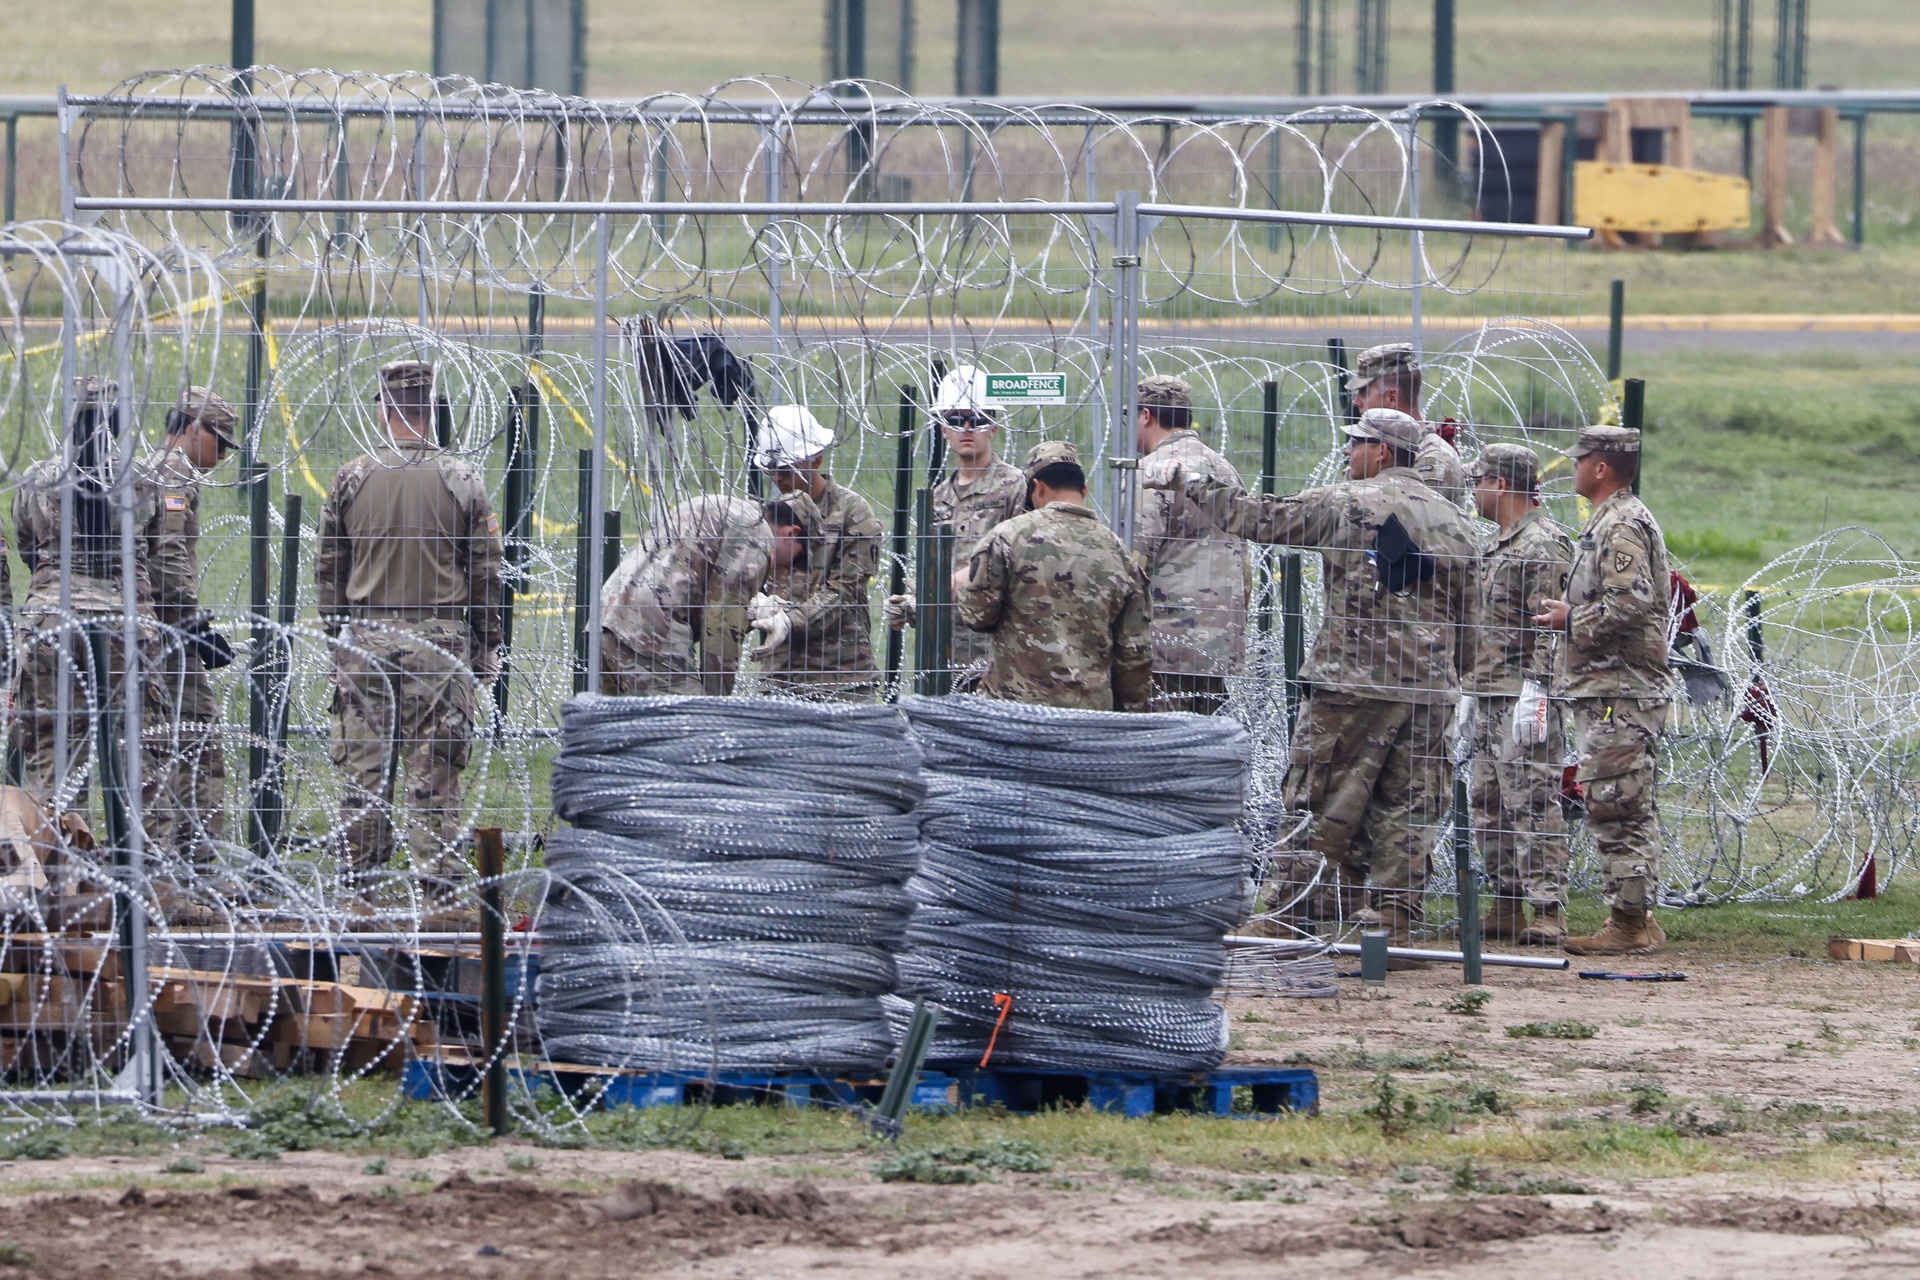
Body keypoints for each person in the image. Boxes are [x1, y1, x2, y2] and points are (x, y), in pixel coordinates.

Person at [1151, 408, 1478, 955]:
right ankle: (1393, 924)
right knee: (1410, 807)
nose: (1349, 455)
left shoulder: (1346, 502)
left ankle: (1288, 911)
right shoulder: (1456, 521)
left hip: (1352, 682)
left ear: (1381, 452)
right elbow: (1472, 617)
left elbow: (1258, 517)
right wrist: (1455, 675)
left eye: (1356, 446)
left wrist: (1190, 483)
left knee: (1317, 793)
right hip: (1429, 689)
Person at [314, 360, 504, 909]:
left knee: (364, 774)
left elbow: (329, 568)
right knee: (435, 775)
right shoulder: (461, 479)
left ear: (384, 410)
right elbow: (487, 573)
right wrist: (486, 643)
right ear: (431, 409)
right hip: (438, 646)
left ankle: (358, 894)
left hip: (367, 641)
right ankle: (441, 893)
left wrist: (337, 638)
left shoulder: (352, 477)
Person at [1534, 424, 1672, 956]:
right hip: (1610, 685)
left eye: (1579, 460)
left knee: (1616, 801)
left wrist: (1572, 618)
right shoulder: (1611, 520)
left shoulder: (1621, 524)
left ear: (1601, 468)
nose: (1571, 469)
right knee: (1619, 797)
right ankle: (1638, 916)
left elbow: (1631, 602)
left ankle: (1629, 923)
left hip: (1620, 688)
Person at [11, 378, 163, 810]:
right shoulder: (141, 479)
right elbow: (149, 552)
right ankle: (141, 865)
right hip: (124, 623)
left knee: (53, 759)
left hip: (50, 622)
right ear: (117, 419)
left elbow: (28, 549)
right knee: (138, 753)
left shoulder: (37, 479)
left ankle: (61, 864)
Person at [1464, 443, 1574, 944]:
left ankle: (1547, 908)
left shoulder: (1542, 546)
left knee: (1532, 802)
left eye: (1478, 478)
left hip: (1522, 694)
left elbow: (1552, 628)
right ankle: (1505, 901)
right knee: (1488, 803)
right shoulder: (1499, 543)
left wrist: (1539, 692)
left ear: (1502, 484)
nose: (1473, 488)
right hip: (1489, 690)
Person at [953, 441, 1152, 712]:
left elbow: (976, 616)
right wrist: (1129, 714)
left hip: (1013, 710)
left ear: (1037, 488)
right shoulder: (1118, 552)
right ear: (1083, 489)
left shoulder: (1006, 538)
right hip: (1088, 715)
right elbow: (1134, 652)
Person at [143, 387, 239, 868]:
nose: (221, 455)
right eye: (219, 441)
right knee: (197, 740)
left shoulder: (156, 468)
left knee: (172, 740)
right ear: (193, 427)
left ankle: (178, 857)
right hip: (169, 631)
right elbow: (167, 557)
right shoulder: (175, 473)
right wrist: (192, 622)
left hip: (157, 628)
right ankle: (193, 859)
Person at [882, 365, 1025, 685]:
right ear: (943, 429)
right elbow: (933, 578)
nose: (967, 428)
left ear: (994, 427)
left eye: (977, 419)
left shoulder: (1013, 486)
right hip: (944, 655)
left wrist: (967, 577)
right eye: (955, 420)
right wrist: (914, 608)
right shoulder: (936, 499)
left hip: (997, 651)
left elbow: (1022, 562)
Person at [599, 493, 807, 696]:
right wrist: (715, 701)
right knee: (691, 726)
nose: (782, 570)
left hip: (606, 618)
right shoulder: (757, 536)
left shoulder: (725, 508)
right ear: (791, 534)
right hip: (649, 636)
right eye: (791, 562)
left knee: (619, 727)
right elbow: (721, 622)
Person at [747, 404, 883, 701]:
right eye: (771, 469)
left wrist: (788, 620)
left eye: (786, 468)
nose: (777, 478)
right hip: (781, 677)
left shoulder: (852, 514)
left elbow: (845, 593)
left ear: (816, 459)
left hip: (841, 677)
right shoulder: (769, 517)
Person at [1132, 374, 1249, 714]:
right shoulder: (1226, 469)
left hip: (1167, 649)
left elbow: (1134, 560)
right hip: (1219, 642)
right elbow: (1244, 560)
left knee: (1164, 751)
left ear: (1146, 416)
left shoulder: (1152, 471)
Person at [1347, 342, 1469, 506]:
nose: (1356, 402)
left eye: (1364, 393)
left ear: (1391, 398)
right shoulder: (1372, 445)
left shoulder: (1434, 459)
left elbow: (1405, 518)